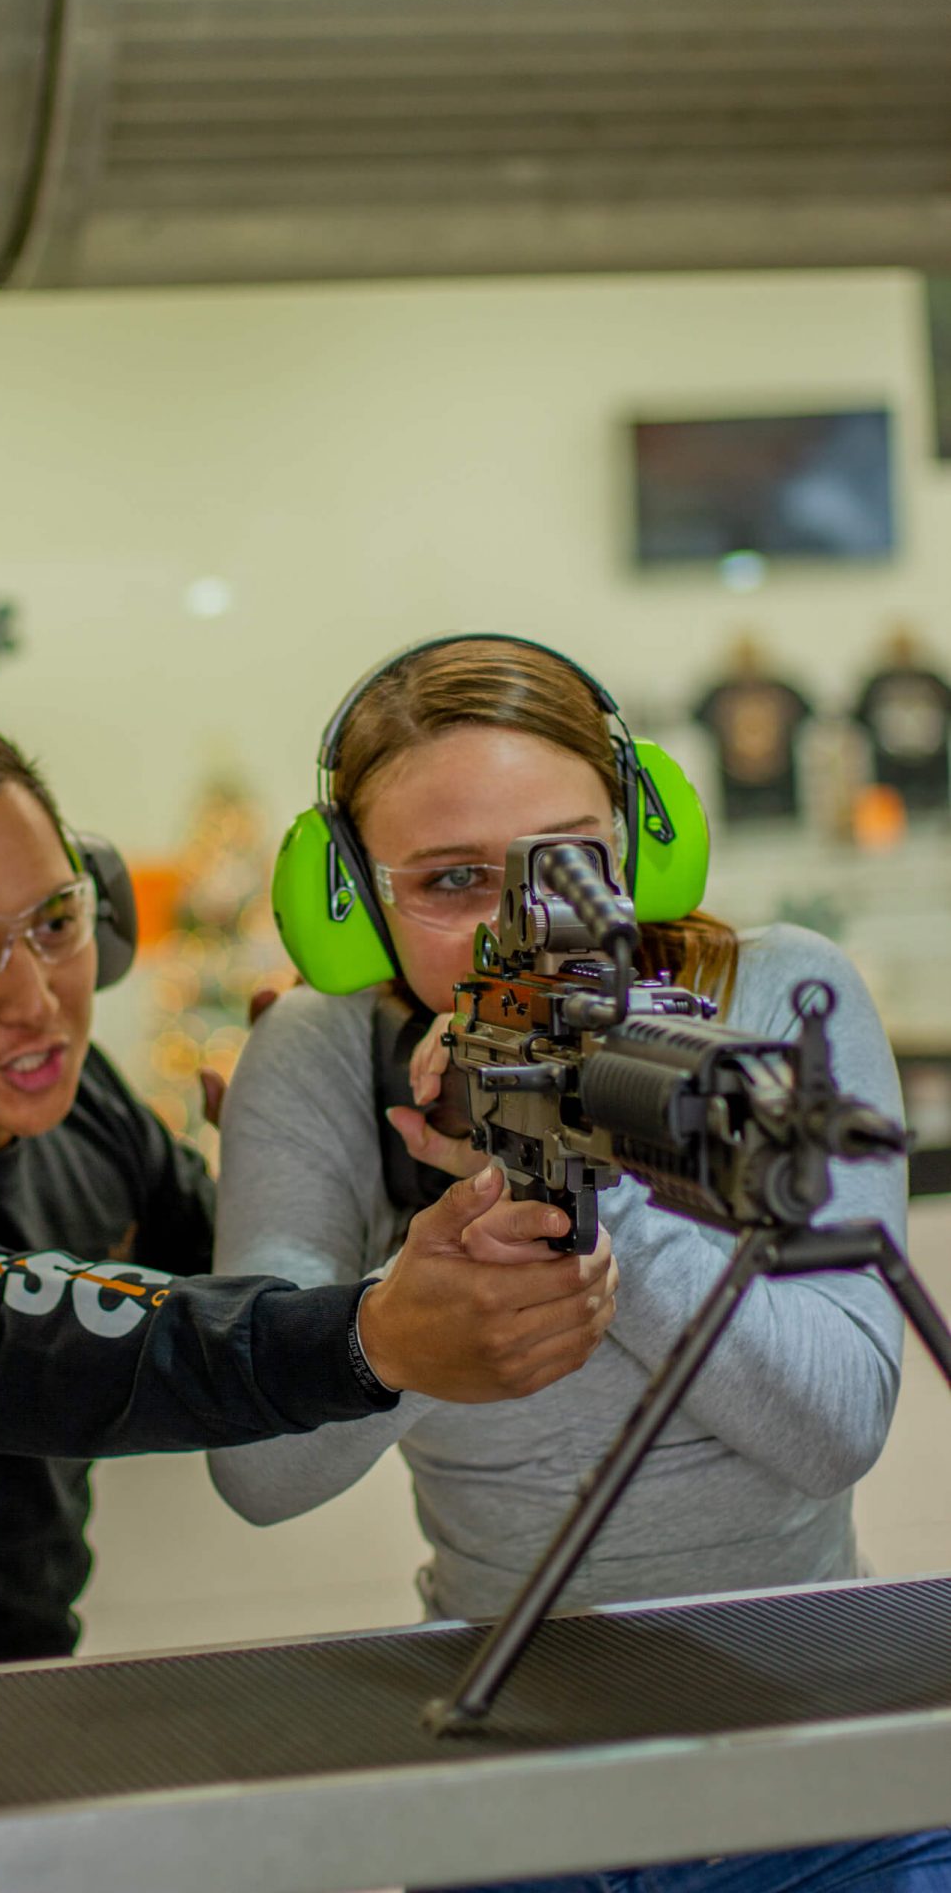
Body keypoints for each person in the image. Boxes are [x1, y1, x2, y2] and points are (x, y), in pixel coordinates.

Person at [0, 719, 618, 1868]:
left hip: (0, 1745)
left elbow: (227, 1279)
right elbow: (75, 1341)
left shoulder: (82, 1107)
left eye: (55, 922)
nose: (36, 997)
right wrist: (374, 1333)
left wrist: (331, 1141)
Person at [209, 635, 951, 1892]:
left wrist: (600, 1198)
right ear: (351, 896)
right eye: (450, 879)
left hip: (824, 1768)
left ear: (642, 845)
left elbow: (833, 1423)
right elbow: (261, 1470)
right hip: (513, 1782)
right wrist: (413, 1303)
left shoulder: (780, 997)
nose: (528, 928)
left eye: (570, 864)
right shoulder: (323, 1059)